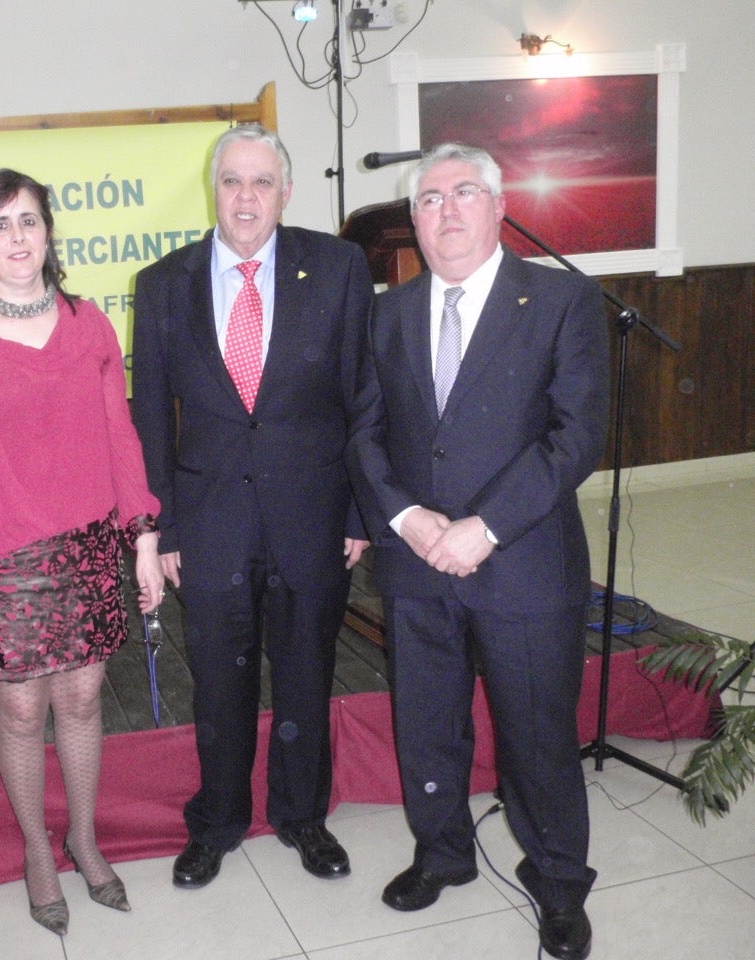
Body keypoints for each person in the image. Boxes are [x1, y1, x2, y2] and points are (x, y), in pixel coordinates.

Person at [346, 142, 608, 960]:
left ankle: (560, 881)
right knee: (427, 723)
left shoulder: (563, 301)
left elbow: (577, 437)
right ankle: (444, 852)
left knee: (537, 734)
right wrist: (405, 519)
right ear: (414, 221)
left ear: (499, 207)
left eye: (464, 193)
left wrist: (482, 527)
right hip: (417, 566)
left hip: (524, 562)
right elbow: (366, 433)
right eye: (429, 199)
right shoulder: (387, 315)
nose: (446, 210)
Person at [131, 125, 373, 889]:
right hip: (208, 525)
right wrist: (164, 523)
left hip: (315, 516)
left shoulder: (337, 267)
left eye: (261, 182)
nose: (245, 197)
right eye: (232, 181)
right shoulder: (164, 282)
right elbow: (149, 417)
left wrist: (361, 516)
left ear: (286, 192)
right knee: (220, 682)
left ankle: (303, 818)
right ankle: (219, 822)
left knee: (307, 673)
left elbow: (366, 398)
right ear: (215, 188)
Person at [0, 168, 162, 937]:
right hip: (1, 558)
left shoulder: (90, 323)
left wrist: (145, 535)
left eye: (29, 220)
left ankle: (85, 840)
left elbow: (121, 435)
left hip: (89, 541)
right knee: (22, 709)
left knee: (85, 699)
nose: (18, 237)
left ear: (49, 232)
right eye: (0, 225)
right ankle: (35, 850)